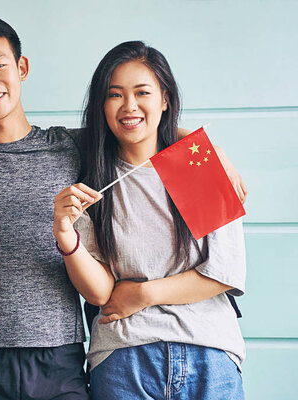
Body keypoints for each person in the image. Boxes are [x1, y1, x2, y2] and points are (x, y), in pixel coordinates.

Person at [0, 16, 246, 399]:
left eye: (0, 65)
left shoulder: (70, 147)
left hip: (61, 351)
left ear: (22, 68)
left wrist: (206, 149)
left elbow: (138, 126)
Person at [53, 41, 246, 400]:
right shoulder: (91, 177)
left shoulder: (197, 164)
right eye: (114, 95)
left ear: (165, 98)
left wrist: (143, 293)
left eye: (142, 92)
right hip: (122, 357)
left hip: (209, 351)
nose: (129, 106)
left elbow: (224, 272)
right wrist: (66, 235)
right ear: (100, 105)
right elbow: (100, 292)